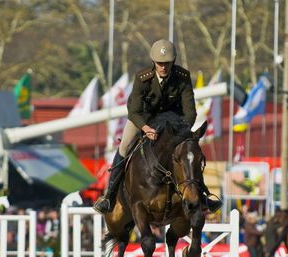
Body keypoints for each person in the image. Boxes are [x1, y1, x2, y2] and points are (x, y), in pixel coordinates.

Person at [93, 38, 222, 214]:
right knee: (124, 146)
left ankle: (203, 195)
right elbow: (134, 111)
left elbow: (190, 111)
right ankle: (109, 196)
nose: (163, 67)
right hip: (143, 119)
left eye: (167, 63)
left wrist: (182, 131)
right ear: (154, 62)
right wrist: (145, 129)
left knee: (189, 152)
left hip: (173, 122)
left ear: (173, 61)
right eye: (160, 63)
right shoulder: (142, 78)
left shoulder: (183, 77)